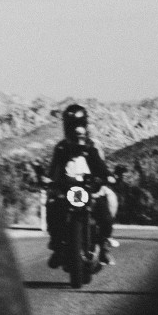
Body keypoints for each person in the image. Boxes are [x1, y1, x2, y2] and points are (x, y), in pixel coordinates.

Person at [44, 104, 119, 268]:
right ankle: (57, 246)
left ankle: (104, 247)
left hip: (90, 189)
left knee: (105, 214)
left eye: (79, 125)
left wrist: (108, 177)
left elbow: (100, 165)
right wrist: (49, 180)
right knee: (52, 206)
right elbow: (54, 170)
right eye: (72, 125)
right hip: (68, 189)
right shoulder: (61, 148)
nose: (76, 130)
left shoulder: (92, 146)